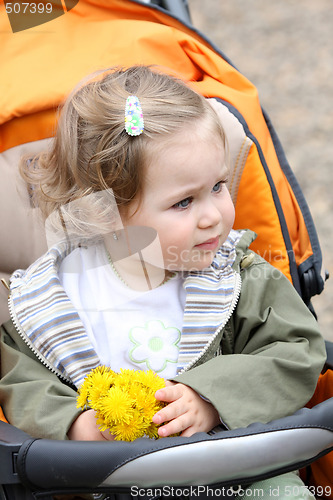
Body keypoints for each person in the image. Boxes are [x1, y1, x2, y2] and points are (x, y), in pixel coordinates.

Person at [0, 66, 326, 499]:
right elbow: (20, 381)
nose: (213, 215)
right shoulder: (52, 297)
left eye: (218, 186)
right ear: (107, 213)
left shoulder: (240, 274)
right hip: (111, 484)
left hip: (236, 471)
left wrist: (212, 398)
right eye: (184, 201)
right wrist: (73, 424)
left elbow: (298, 351)